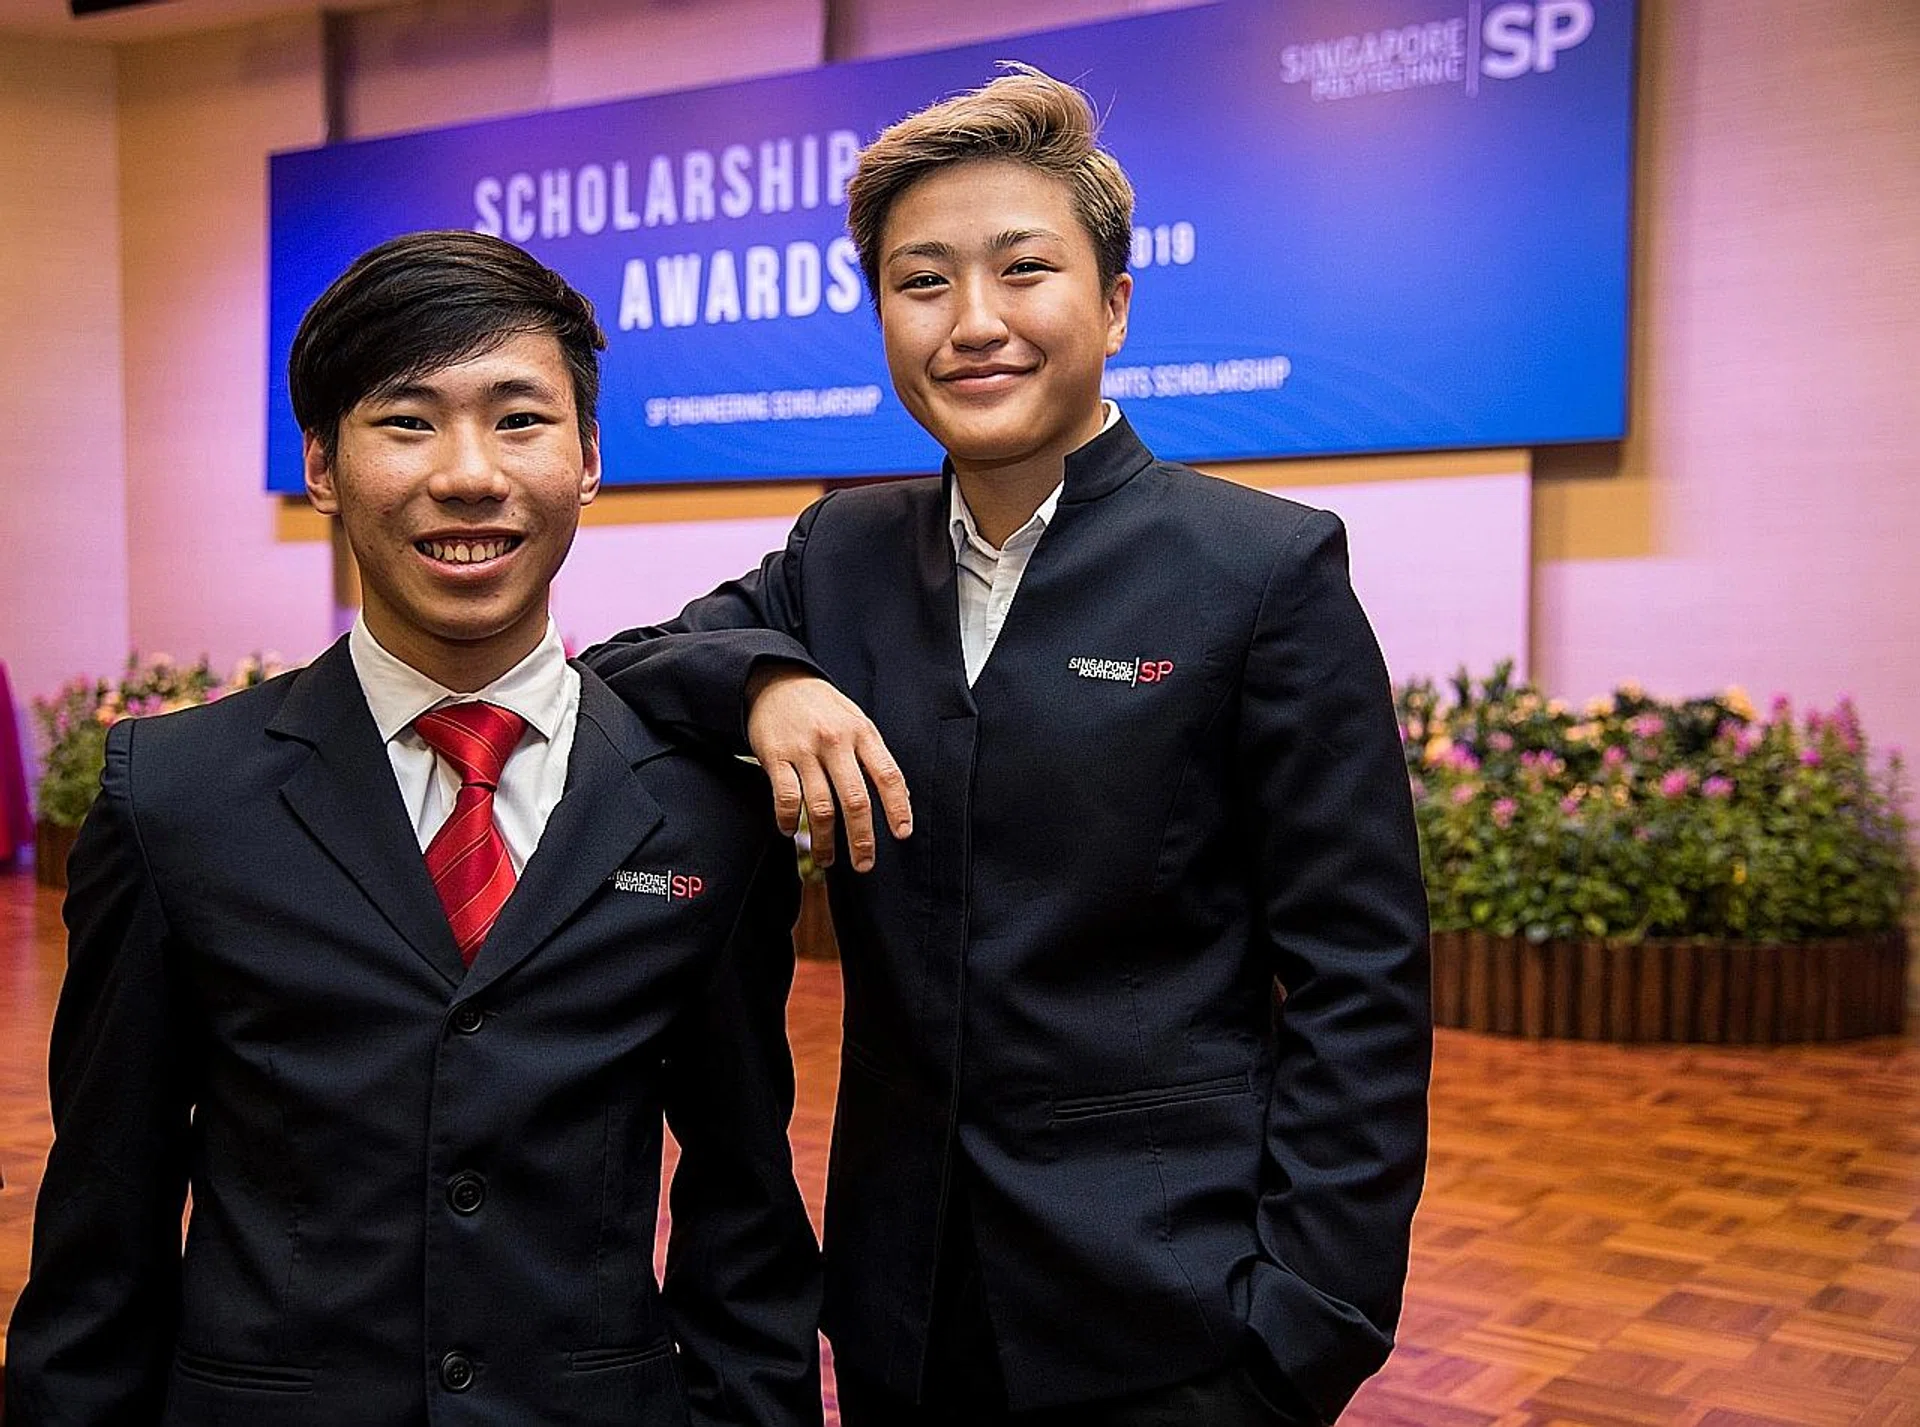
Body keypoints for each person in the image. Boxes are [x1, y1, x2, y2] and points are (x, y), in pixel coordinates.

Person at [582, 67, 1431, 1426]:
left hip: (1179, 1314)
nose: (973, 322)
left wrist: (1308, 1322)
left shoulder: (1262, 570)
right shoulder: (844, 551)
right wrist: (765, 682)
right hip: (902, 1299)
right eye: (923, 283)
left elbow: (1362, 979)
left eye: (1022, 270)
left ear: (1114, 302)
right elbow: (625, 666)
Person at [6, 231, 822, 1427]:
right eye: (408, 422)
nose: (469, 474)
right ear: (324, 464)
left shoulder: (701, 806)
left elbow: (747, 1208)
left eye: (520, 419)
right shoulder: (176, 794)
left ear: (589, 457)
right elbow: (102, 1223)